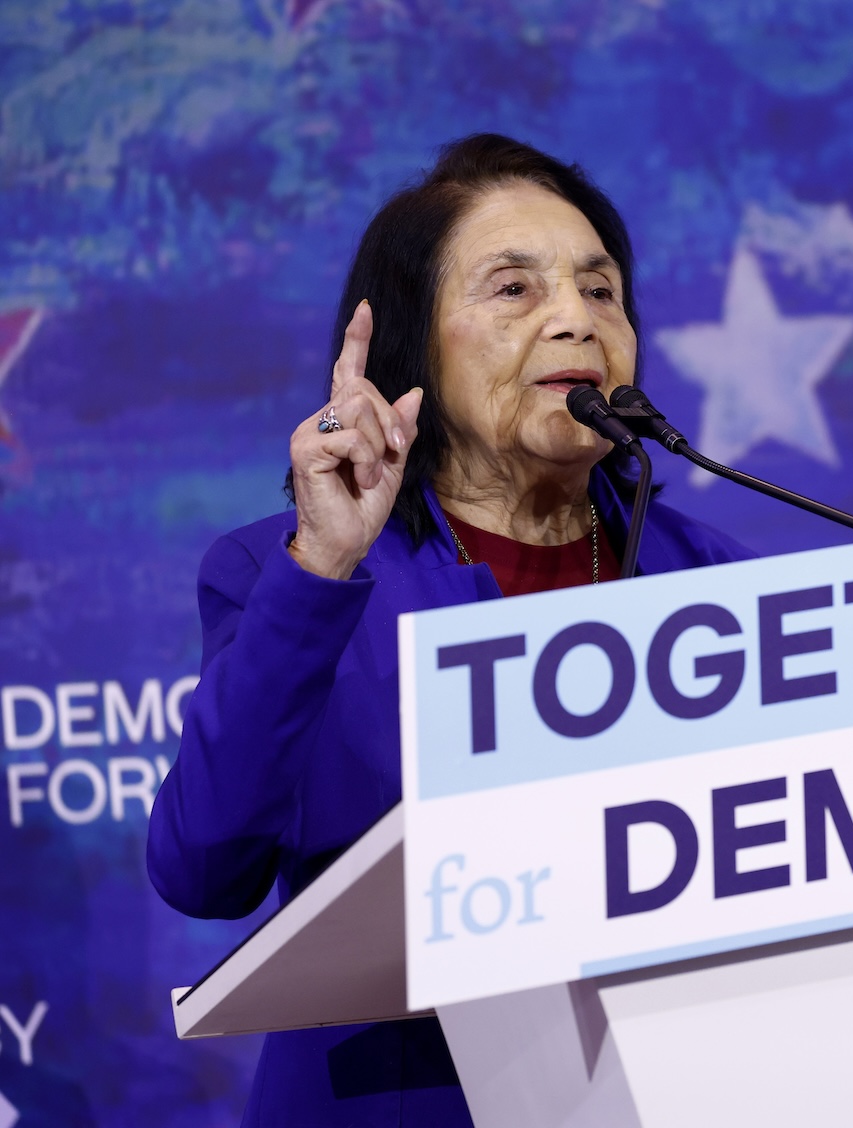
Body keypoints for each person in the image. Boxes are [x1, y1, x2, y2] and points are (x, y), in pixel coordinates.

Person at [147, 134, 753, 1127]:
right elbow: (203, 869)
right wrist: (324, 564)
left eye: (602, 292)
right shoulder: (286, 573)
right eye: (514, 290)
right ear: (413, 351)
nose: (576, 319)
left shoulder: (717, 580)